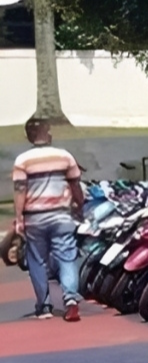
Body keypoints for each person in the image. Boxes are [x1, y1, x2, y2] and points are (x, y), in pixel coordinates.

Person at [12, 118, 84, 322]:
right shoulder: (64, 156)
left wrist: (19, 218)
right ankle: (70, 300)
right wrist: (80, 205)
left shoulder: (22, 161)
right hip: (62, 215)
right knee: (67, 257)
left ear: (28, 136)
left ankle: (43, 306)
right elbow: (75, 185)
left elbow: (20, 191)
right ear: (48, 133)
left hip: (34, 218)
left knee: (37, 260)